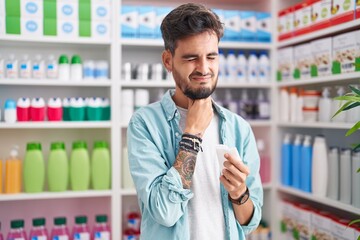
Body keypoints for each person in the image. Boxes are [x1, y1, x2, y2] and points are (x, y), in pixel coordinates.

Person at [127, 3, 263, 240]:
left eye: (211, 56)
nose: (204, 68)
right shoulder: (144, 124)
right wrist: (192, 134)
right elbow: (163, 212)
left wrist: (240, 192)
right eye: (191, 58)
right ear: (168, 61)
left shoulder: (238, 127)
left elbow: (249, 221)